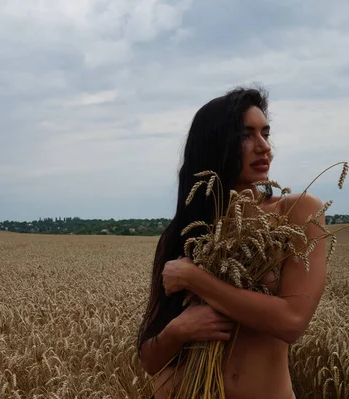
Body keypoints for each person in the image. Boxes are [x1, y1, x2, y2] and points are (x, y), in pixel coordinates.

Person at [136, 87, 327, 399]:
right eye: (246, 134)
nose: (264, 147)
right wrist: (178, 331)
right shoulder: (183, 233)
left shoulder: (297, 213)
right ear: (215, 144)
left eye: (266, 133)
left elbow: (292, 321)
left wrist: (195, 279)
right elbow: (150, 360)